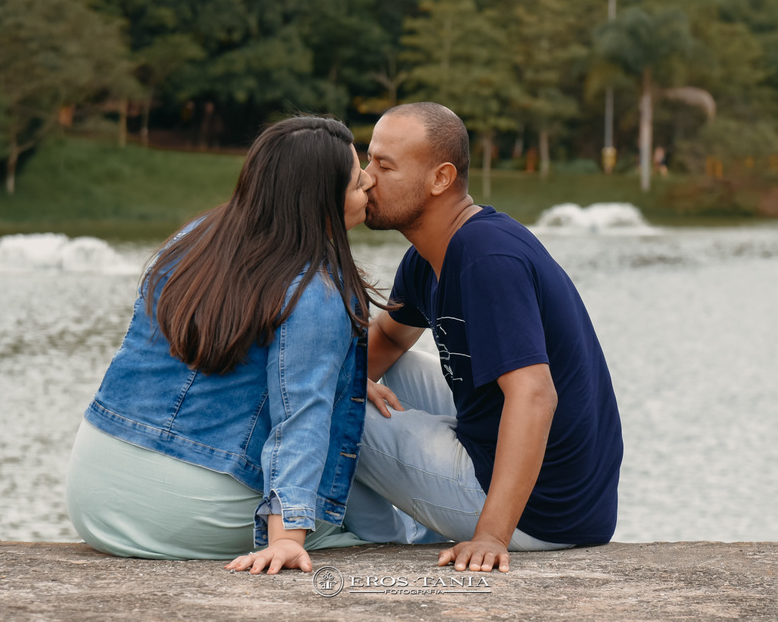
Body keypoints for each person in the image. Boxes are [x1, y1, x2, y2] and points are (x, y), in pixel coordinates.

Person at [65, 116, 383, 574]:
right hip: (180, 510)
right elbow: (302, 416)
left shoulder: (193, 240)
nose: (369, 181)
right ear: (319, 202)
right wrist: (287, 539)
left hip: (92, 493)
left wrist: (342, 376)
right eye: (356, 181)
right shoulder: (315, 290)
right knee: (372, 525)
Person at [345, 102, 623, 573]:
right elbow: (388, 340)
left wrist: (491, 536)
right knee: (349, 375)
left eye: (384, 166)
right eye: (368, 160)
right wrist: (349, 380)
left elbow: (535, 396)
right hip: (523, 466)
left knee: (333, 408)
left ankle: (375, 540)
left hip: (545, 513)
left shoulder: (486, 257)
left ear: (440, 179)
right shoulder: (430, 255)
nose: (367, 178)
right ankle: (409, 524)